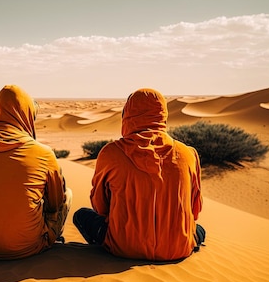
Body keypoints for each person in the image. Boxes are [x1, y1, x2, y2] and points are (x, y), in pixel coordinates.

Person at [73, 88, 205, 261]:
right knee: (199, 229)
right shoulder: (188, 154)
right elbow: (195, 210)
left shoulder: (111, 153)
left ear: (127, 114)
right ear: (163, 115)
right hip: (178, 249)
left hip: (124, 248)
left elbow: (100, 207)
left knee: (82, 215)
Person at [0, 84, 72, 259]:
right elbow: (55, 202)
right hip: (28, 247)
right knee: (68, 195)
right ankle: (51, 240)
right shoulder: (44, 153)